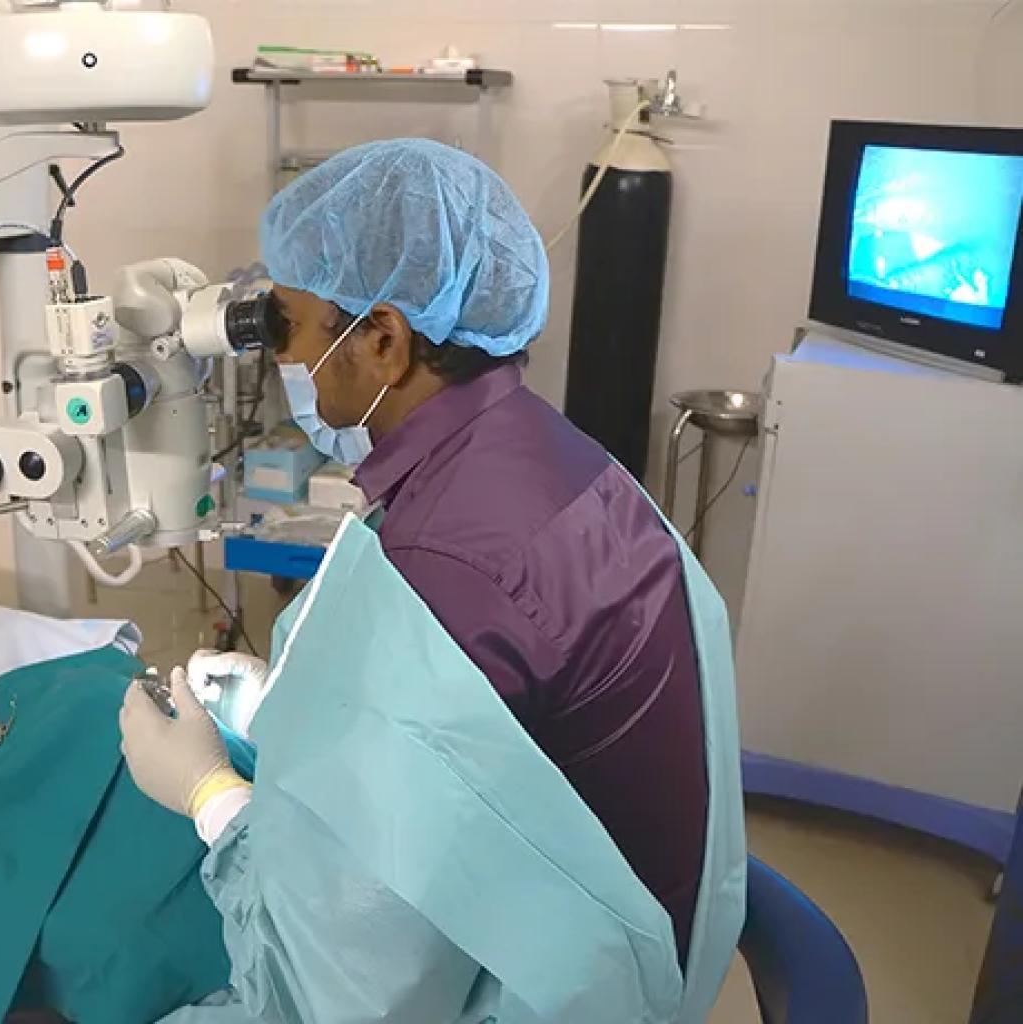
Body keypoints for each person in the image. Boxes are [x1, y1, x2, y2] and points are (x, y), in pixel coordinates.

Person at [121, 139, 710, 967]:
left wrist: (211, 796)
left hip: (541, 980)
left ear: (384, 341)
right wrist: (304, 703)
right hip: (617, 908)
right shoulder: (539, 448)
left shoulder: (448, 565)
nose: (282, 357)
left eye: (288, 326)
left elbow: (354, 957)